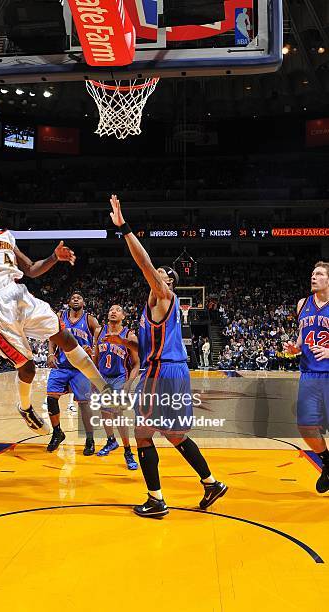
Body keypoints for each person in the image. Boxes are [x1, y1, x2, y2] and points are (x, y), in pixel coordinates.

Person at [0, 127, 113, 434]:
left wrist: (54, 258)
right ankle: (25, 406)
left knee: (65, 337)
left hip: (19, 293)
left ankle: (104, 386)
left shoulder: (7, 236)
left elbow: (30, 269)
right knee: (26, 366)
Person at [109, 195, 227, 518]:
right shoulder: (151, 310)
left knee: (142, 434)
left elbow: (145, 263)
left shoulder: (163, 295)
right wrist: (124, 341)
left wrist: (124, 228)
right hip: (170, 372)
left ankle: (156, 500)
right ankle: (211, 482)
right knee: (175, 434)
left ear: (165, 283)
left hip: (161, 375)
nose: (158, 276)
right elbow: (142, 350)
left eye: (164, 275)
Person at [284, 261, 329, 494]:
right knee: (306, 426)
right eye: (312, 273)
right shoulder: (303, 304)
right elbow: (302, 337)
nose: (313, 277)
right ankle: (327, 463)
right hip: (309, 374)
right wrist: (295, 348)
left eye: (319, 274)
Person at [45, 292, 100, 455]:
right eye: (73, 298)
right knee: (51, 398)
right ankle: (57, 433)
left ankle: (90, 439)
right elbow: (52, 337)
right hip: (61, 366)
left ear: (83, 302)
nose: (76, 299)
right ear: (68, 302)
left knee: (84, 405)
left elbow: (98, 341)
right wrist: (50, 353)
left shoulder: (90, 319)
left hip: (81, 368)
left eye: (79, 298)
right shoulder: (60, 316)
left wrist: (93, 351)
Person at [94, 304, 140, 470]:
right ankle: (111, 440)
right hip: (102, 377)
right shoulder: (99, 332)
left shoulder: (129, 335)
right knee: (105, 411)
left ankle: (128, 450)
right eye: (111, 309)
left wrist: (129, 384)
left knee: (117, 412)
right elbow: (96, 357)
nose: (113, 311)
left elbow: (136, 364)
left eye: (118, 310)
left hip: (120, 377)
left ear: (124, 316)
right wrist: (94, 379)